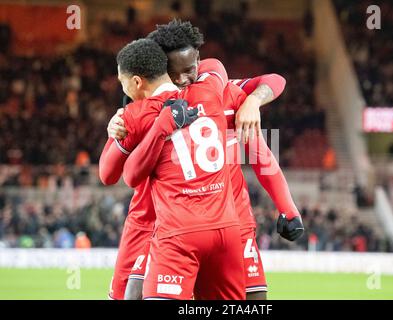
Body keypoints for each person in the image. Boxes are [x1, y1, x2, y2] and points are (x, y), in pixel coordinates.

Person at [108, 19, 304, 300]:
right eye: (178, 74)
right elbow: (111, 172)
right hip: (159, 224)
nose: (187, 78)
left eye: (191, 69)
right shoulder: (145, 107)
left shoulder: (223, 93)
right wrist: (115, 132)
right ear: (162, 70)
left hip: (229, 224)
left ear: (198, 59)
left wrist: (252, 101)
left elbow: (262, 147)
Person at [100, 38, 245, 299]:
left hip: (174, 229)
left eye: (123, 82)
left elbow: (111, 175)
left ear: (136, 82)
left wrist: (115, 130)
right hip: (224, 228)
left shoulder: (136, 115)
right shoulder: (211, 90)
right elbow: (216, 66)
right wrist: (254, 101)